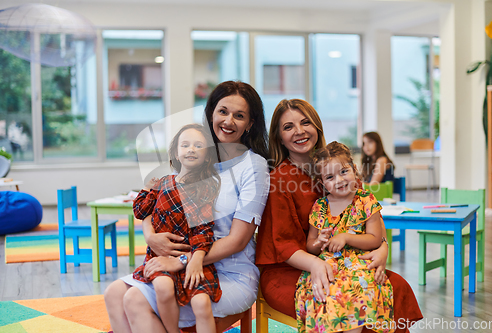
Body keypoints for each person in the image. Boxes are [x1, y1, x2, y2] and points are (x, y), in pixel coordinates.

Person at [104, 81, 270, 333]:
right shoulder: (199, 156)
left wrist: (182, 260)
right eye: (223, 111)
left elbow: (237, 241)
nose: (229, 121)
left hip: (229, 271)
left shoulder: (254, 166)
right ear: (211, 113)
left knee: (134, 299)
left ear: (250, 123)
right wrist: (150, 236)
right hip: (183, 264)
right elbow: (161, 202)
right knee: (114, 293)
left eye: (239, 116)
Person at [255, 99, 422, 333]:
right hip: (289, 269)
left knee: (396, 285)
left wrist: (382, 249)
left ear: (317, 127)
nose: (300, 131)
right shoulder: (278, 180)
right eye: (288, 127)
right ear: (279, 136)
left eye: (305, 122)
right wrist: (315, 263)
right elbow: (283, 245)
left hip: (346, 261)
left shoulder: (337, 168)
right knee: (346, 298)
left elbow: (370, 219)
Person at [131, 124, 222, 333]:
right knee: (162, 287)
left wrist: (197, 257)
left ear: (207, 156)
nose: (191, 149)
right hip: (161, 254)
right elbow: (140, 211)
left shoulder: (206, 187)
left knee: (202, 303)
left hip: (189, 256)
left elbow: (203, 230)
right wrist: (146, 190)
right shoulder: (162, 183)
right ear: (176, 153)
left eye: (198, 146)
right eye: (185, 145)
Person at [295, 141, 394, 333]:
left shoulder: (366, 200)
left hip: (357, 265)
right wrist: (319, 241)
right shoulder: (319, 207)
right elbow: (311, 246)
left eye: (343, 172)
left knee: (357, 293)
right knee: (323, 295)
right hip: (327, 266)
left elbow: (375, 238)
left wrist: (345, 237)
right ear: (323, 182)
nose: (339, 180)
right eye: (330, 177)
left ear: (354, 170)